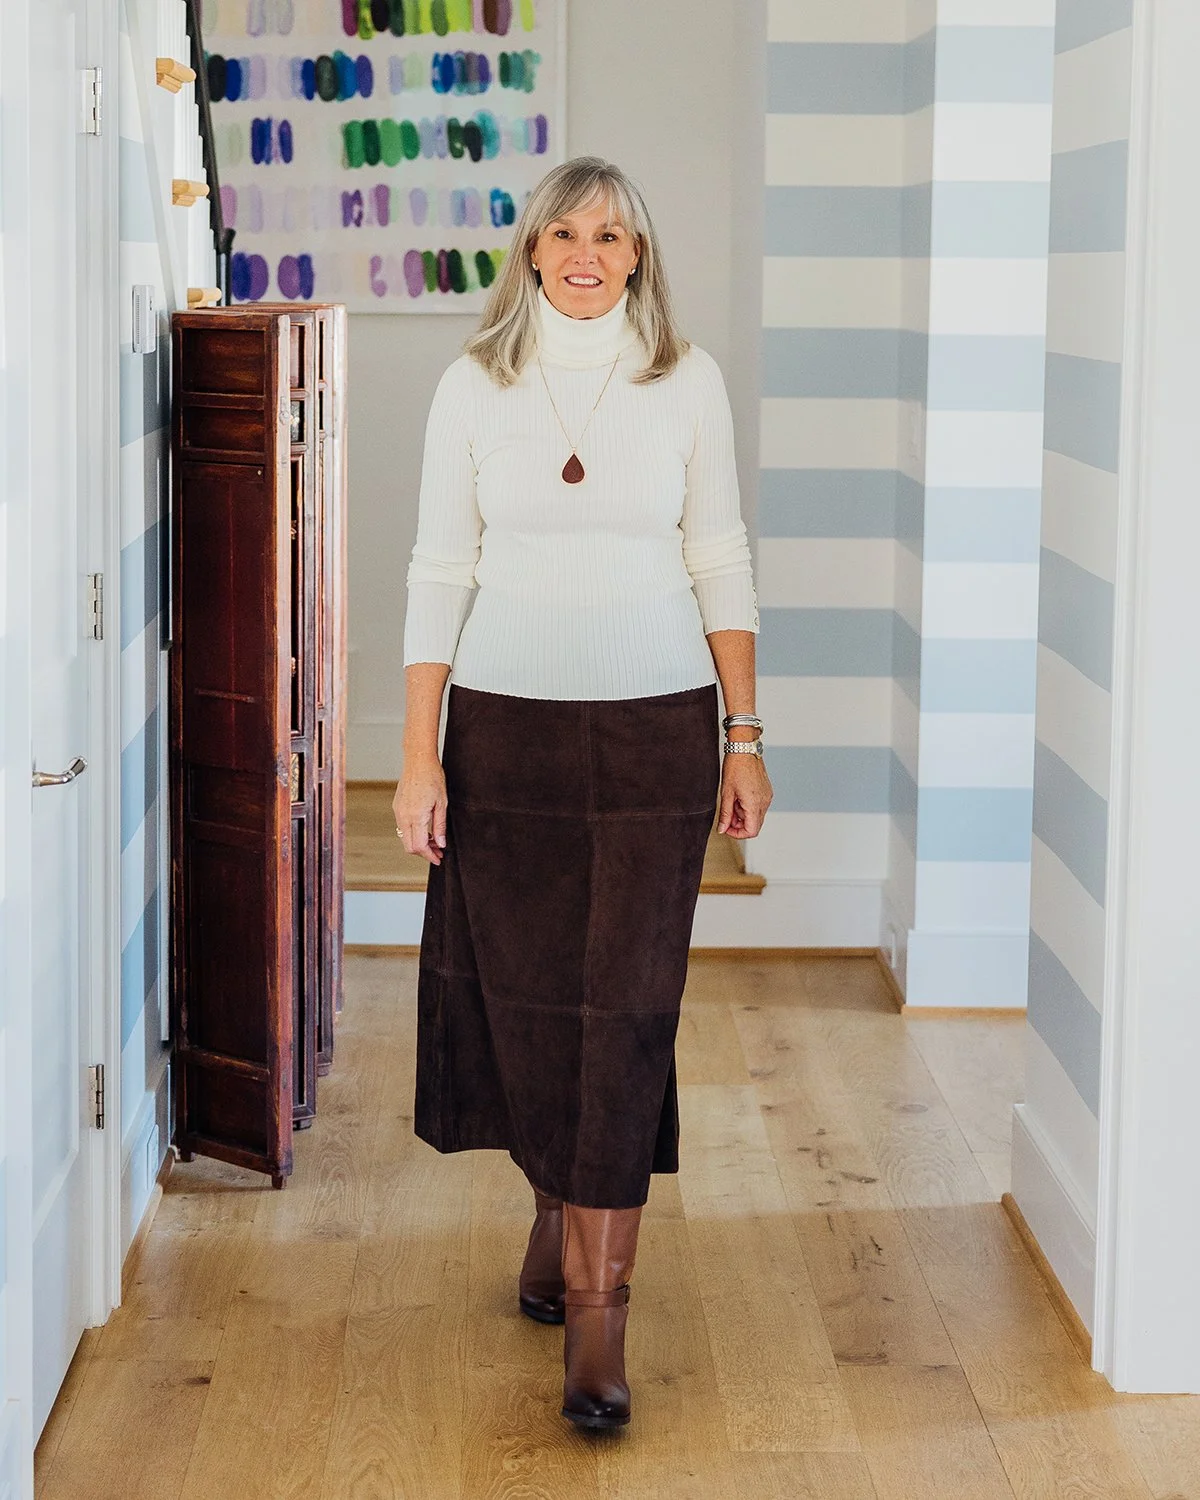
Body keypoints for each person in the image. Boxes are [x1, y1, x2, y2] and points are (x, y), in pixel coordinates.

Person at [393, 155, 772, 1432]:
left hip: (661, 728)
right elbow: (439, 566)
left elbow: (717, 552)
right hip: (503, 733)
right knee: (524, 987)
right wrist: (420, 749)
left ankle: (600, 1319)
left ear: (639, 255)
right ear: (532, 251)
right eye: (564, 232)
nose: (586, 254)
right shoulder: (474, 386)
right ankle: (554, 1206)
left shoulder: (687, 384)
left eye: (611, 234)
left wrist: (745, 732)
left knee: (625, 1005)